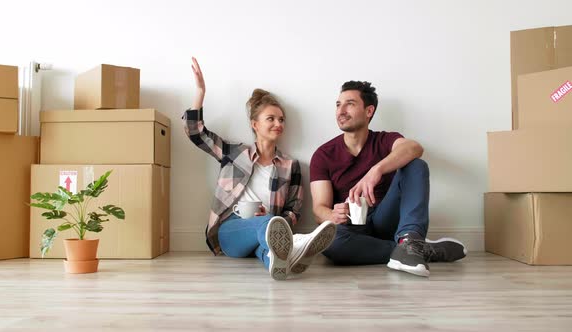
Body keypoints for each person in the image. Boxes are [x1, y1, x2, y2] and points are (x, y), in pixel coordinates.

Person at [182, 57, 336, 280]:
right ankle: (298, 244)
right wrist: (200, 91)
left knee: (270, 251)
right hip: (231, 232)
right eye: (271, 118)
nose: (278, 124)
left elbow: (294, 210)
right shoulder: (233, 153)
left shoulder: (291, 166)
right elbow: (195, 132)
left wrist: (274, 218)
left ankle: (280, 262)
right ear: (255, 124)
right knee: (268, 225)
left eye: (281, 119)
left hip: (265, 234)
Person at [310, 80, 466, 277]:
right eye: (338, 104)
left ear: (369, 111)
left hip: (387, 219)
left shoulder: (384, 140)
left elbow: (414, 148)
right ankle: (414, 249)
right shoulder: (324, 154)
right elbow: (318, 209)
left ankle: (410, 240)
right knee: (330, 243)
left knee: (416, 165)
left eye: (349, 103)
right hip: (351, 230)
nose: (341, 110)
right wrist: (333, 214)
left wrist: (376, 170)